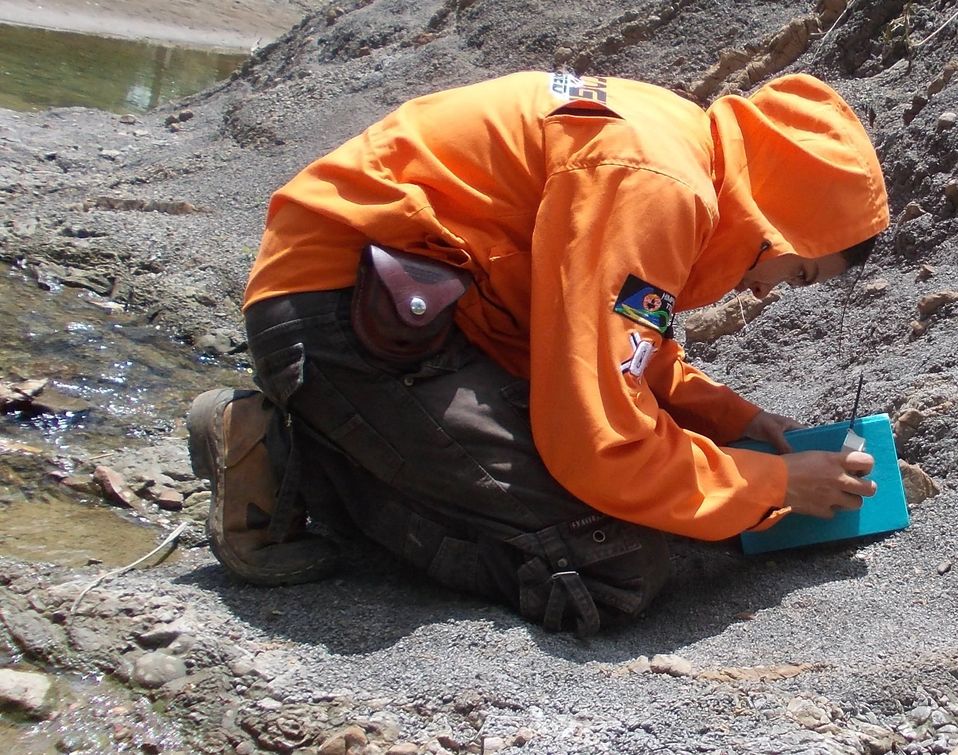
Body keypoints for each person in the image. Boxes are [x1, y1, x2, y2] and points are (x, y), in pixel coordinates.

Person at [187, 70, 889, 635]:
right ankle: (294, 468)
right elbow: (598, 443)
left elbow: (613, 335)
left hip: (399, 307)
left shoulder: (674, 149)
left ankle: (339, 440)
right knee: (608, 565)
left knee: (648, 490)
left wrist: (728, 419)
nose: (769, 293)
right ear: (778, 224)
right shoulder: (659, 186)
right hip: (347, 316)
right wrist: (777, 485)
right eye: (796, 272)